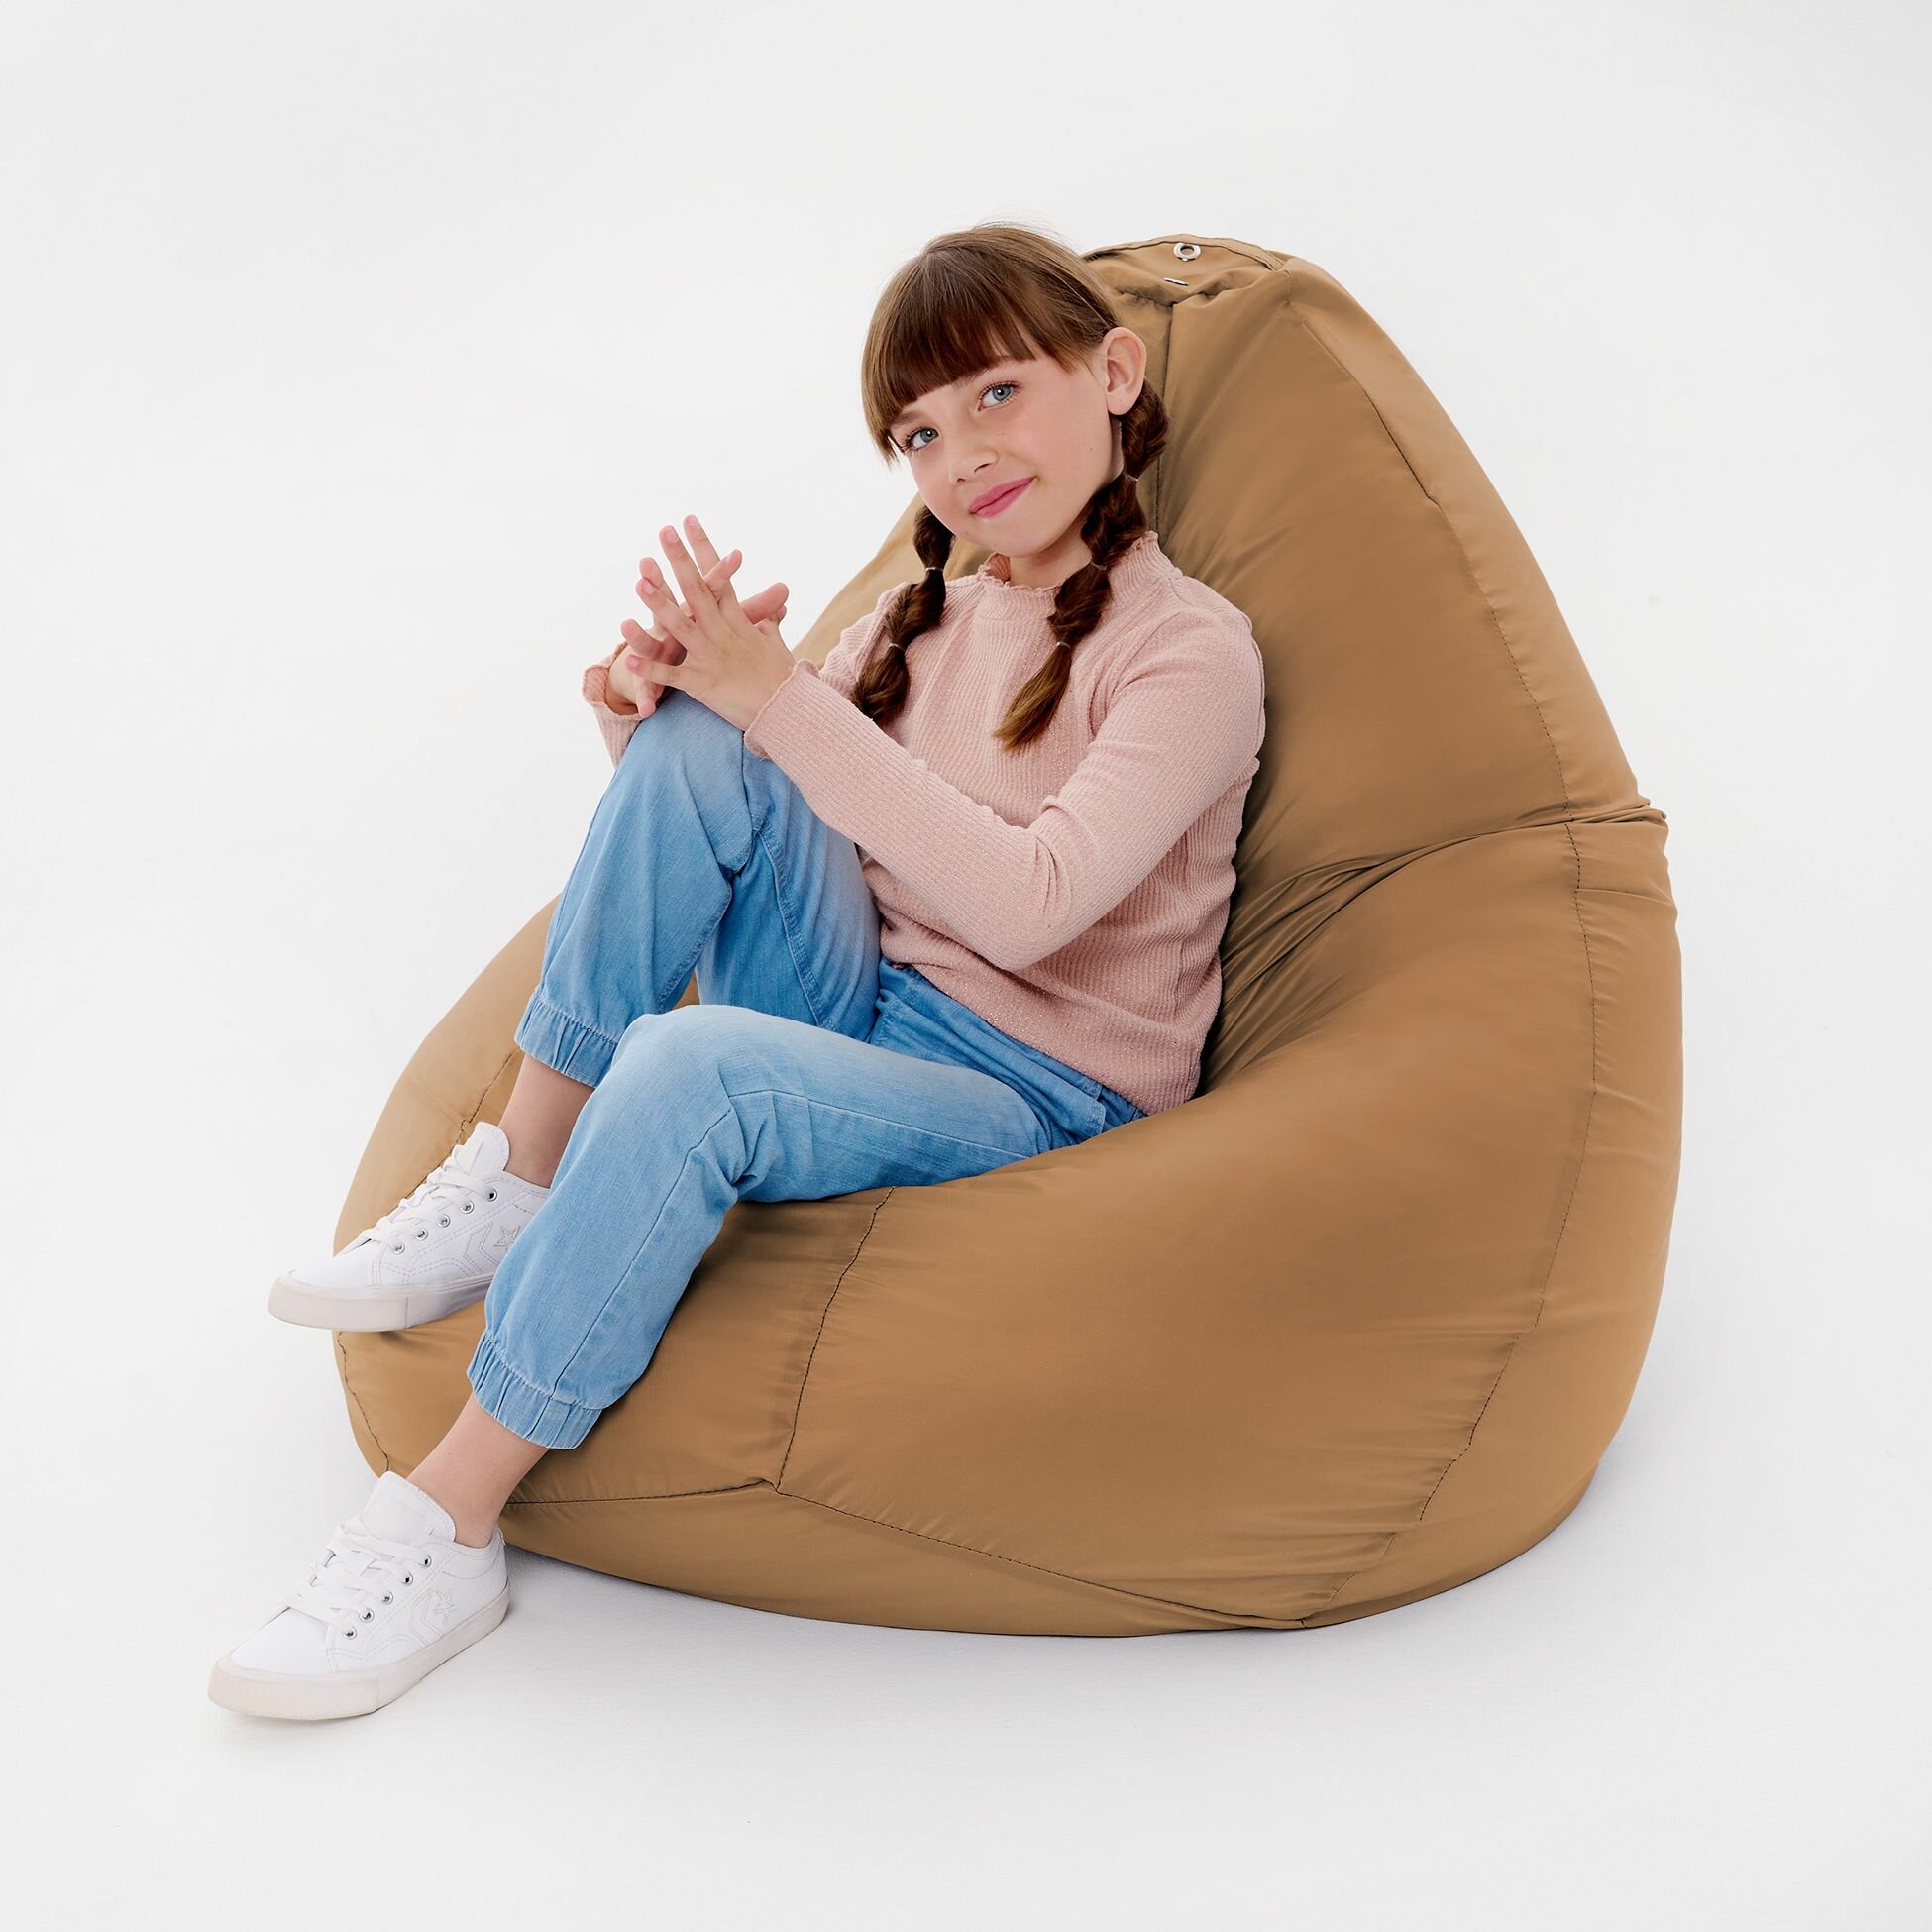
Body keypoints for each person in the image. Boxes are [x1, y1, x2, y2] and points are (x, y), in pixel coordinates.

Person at [208, 220, 1267, 1720]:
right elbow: (731, 804)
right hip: (865, 1009)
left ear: (1111, 374)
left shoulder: (1189, 654)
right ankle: (521, 1172)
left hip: (1040, 1090)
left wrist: (777, 700)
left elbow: (1033, 907)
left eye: (997, 394)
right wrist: (653, 706)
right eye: (919, 431)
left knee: (690, 1060)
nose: (963, 453)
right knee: (709, 742)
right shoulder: (924, 616)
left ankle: (443, 1520)